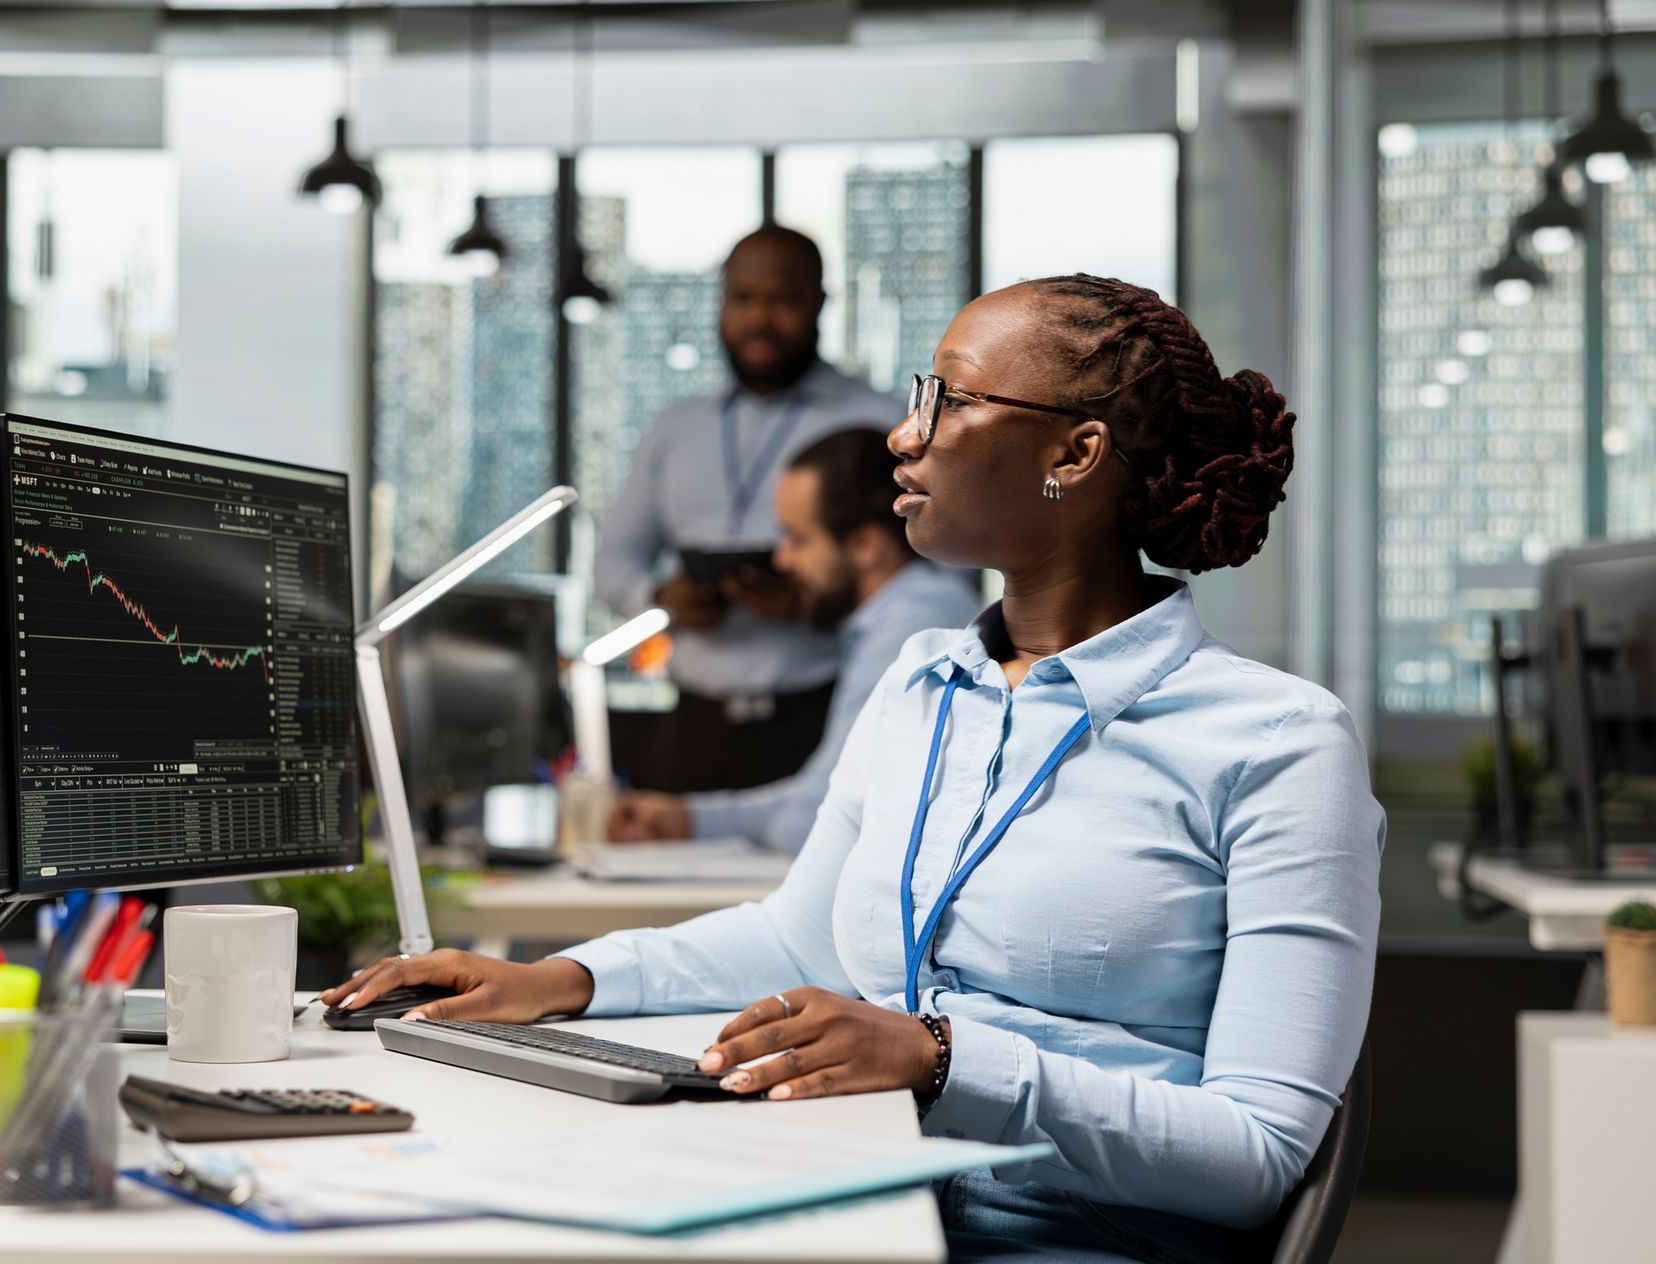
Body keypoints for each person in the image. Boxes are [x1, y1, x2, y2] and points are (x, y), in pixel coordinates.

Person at [325, 274, 1383, 1262]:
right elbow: (801, 935)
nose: (902, 431)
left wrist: (943, 1057)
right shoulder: (927, 681)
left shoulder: (1279, 742)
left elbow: (1257, 1158)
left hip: (1068, 1235)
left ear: (1075, 454)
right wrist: (561, 980)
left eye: (949, 399)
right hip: (863, 1187)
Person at [594, 225, 899, 795]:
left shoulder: (877, 422)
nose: (760, 318)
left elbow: (925, 579)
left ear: (820, 304)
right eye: (742, 298)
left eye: (782, 299)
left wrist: (816, 604)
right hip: (691, 727)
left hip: (821, 720)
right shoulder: (676, 428)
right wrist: (661, 600)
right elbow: (613, 559)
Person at [605, 428, 979, 854]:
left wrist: (699, 822)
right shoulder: (897, 614)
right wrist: (688, 819)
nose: (782, 560)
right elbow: (817, 799)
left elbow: (816, 819)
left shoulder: (917, 623)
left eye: (798, 539)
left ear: (864, 545)